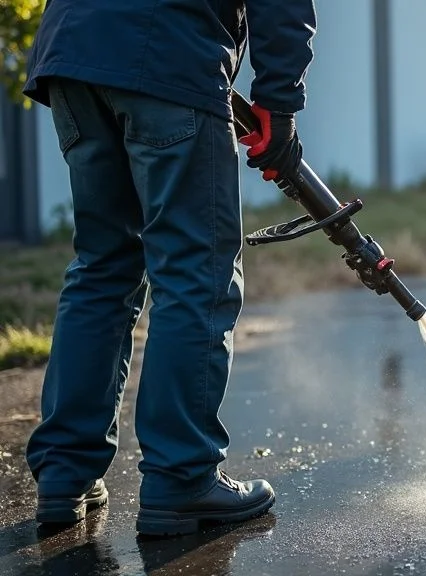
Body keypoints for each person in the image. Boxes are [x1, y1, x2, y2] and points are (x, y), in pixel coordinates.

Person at [20, 0, 316, 536]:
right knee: (195, 272)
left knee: (102, 266)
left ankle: (65, 471)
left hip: (74, 53)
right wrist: (279, 101)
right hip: (168, 53)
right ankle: (182, 477)